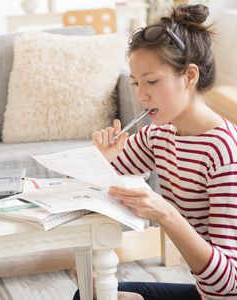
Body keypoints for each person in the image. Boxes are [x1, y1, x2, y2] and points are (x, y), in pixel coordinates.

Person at [73, 4, 237, 300]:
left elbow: (228, 283)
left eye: (151, 81)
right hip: (206, 294)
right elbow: (103, 183)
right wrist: (104, 160)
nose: (140, 95)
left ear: (189, 76)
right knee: (88, 294)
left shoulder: (224, 153)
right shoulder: (160, 133)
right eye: (136, 83)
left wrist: (165, 213)